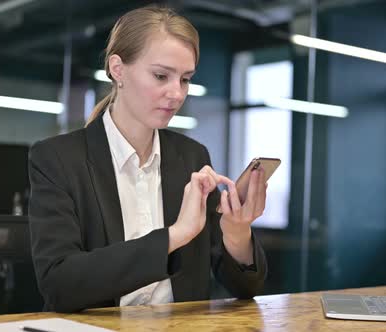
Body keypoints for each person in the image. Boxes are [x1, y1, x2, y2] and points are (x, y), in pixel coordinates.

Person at [28, 5, 268, 313]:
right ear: (118, 69)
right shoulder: (57, 159)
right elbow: (59, 284)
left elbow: (246, 288)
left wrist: (237, 235)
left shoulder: (192, 157)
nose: (177, 93)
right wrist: (173, 236)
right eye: (161, 76)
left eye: (185, 79)